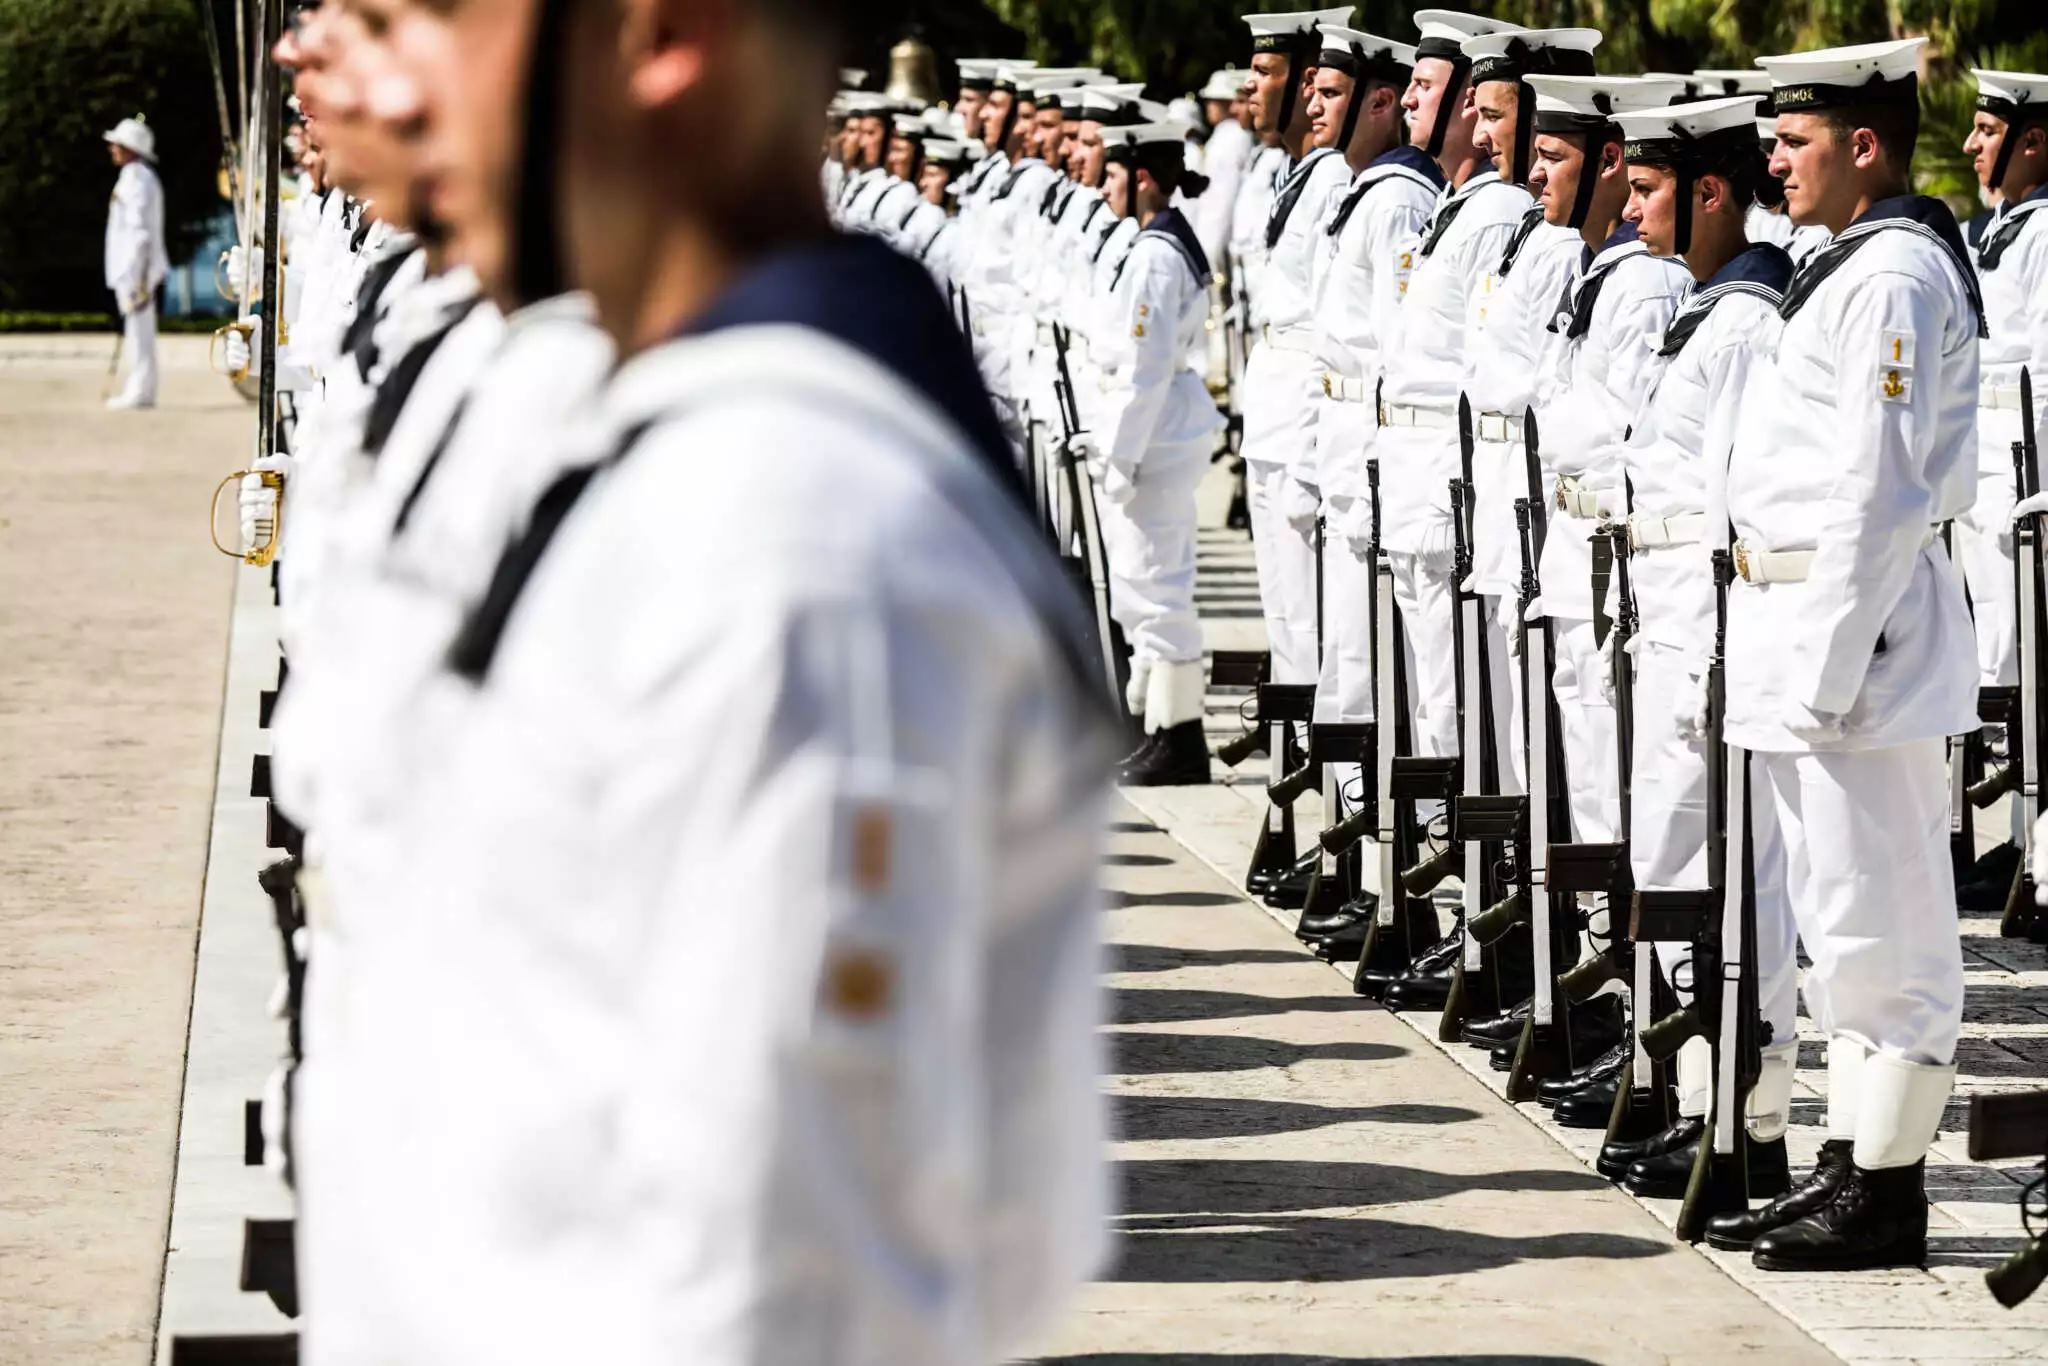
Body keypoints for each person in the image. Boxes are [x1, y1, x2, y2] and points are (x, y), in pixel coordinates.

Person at [305, 3, 1114, 1364]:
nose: (389, 96)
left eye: (429, 20)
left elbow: (775, 1299)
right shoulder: (687, 462)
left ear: (659, 36)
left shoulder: (788, 540)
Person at [1708, 37, 1980, 1272]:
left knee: (1883, 928)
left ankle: (1886, 1188)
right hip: (1804, 635)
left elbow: (1876, 491)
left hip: (1852, 646)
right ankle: (1849, 1154)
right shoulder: (1846, 267)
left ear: (1861, 146)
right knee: (1834, 921)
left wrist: (1823, 671)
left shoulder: (1890, 279)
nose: (1770, 158)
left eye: (1792, 139)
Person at [1591, 94, 1799, 1194]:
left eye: (1645, 190)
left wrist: (1721, 652)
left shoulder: (1751, 322)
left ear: (1708, 193)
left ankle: (1748, 1119)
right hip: (1667, 626)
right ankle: (1694, 1093)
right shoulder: (1701, 310)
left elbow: (1742, 505)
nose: (1628, 211)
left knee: (1736, 882)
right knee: (1673, 869)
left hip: (1711, 637)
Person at [1295, 23, 1441, 946]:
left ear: (1378, 102)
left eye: (1332, 88)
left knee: (1378, 676)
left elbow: (1397, 351)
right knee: (1348, 672)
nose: (1313, 101)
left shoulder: (1393, 204)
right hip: (1345, 451)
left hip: (1378, 458)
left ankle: (1396, 879)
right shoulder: (1357, 194)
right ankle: (1355, 859)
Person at [1073, 122, 1226, 785]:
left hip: (1153, 438)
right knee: (1147, 586)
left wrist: (1118, 456)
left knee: (1156, 588)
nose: (1102, 185)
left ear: (1140, 177)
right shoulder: (1153, 244)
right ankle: (1157, 725)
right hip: (1156, 432)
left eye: (1111, 174)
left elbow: (1144, 366)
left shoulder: (1156, 255)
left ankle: (1180, 738)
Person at [1951, 67, 2048, 910]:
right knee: (2005, 674)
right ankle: (2017, 844)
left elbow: (2043, 373)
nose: (1973, 146)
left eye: (1987, 132)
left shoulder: (2045, 234)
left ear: (2034, 141)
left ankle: (2034, 854)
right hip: (1984, 470)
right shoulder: (2000, 231)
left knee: (2032, 673)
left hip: (2023, 474)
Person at [102, 115, 168, 410]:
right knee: (136, 333)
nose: (112, 148)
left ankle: (141, 390)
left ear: (131, 147)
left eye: (117, 144)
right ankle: (141, 387)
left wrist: (137, 274)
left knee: (140, 334)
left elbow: (139, 232)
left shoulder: (138, 179)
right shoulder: (134, 176)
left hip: (137, 269)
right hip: (133, 268)